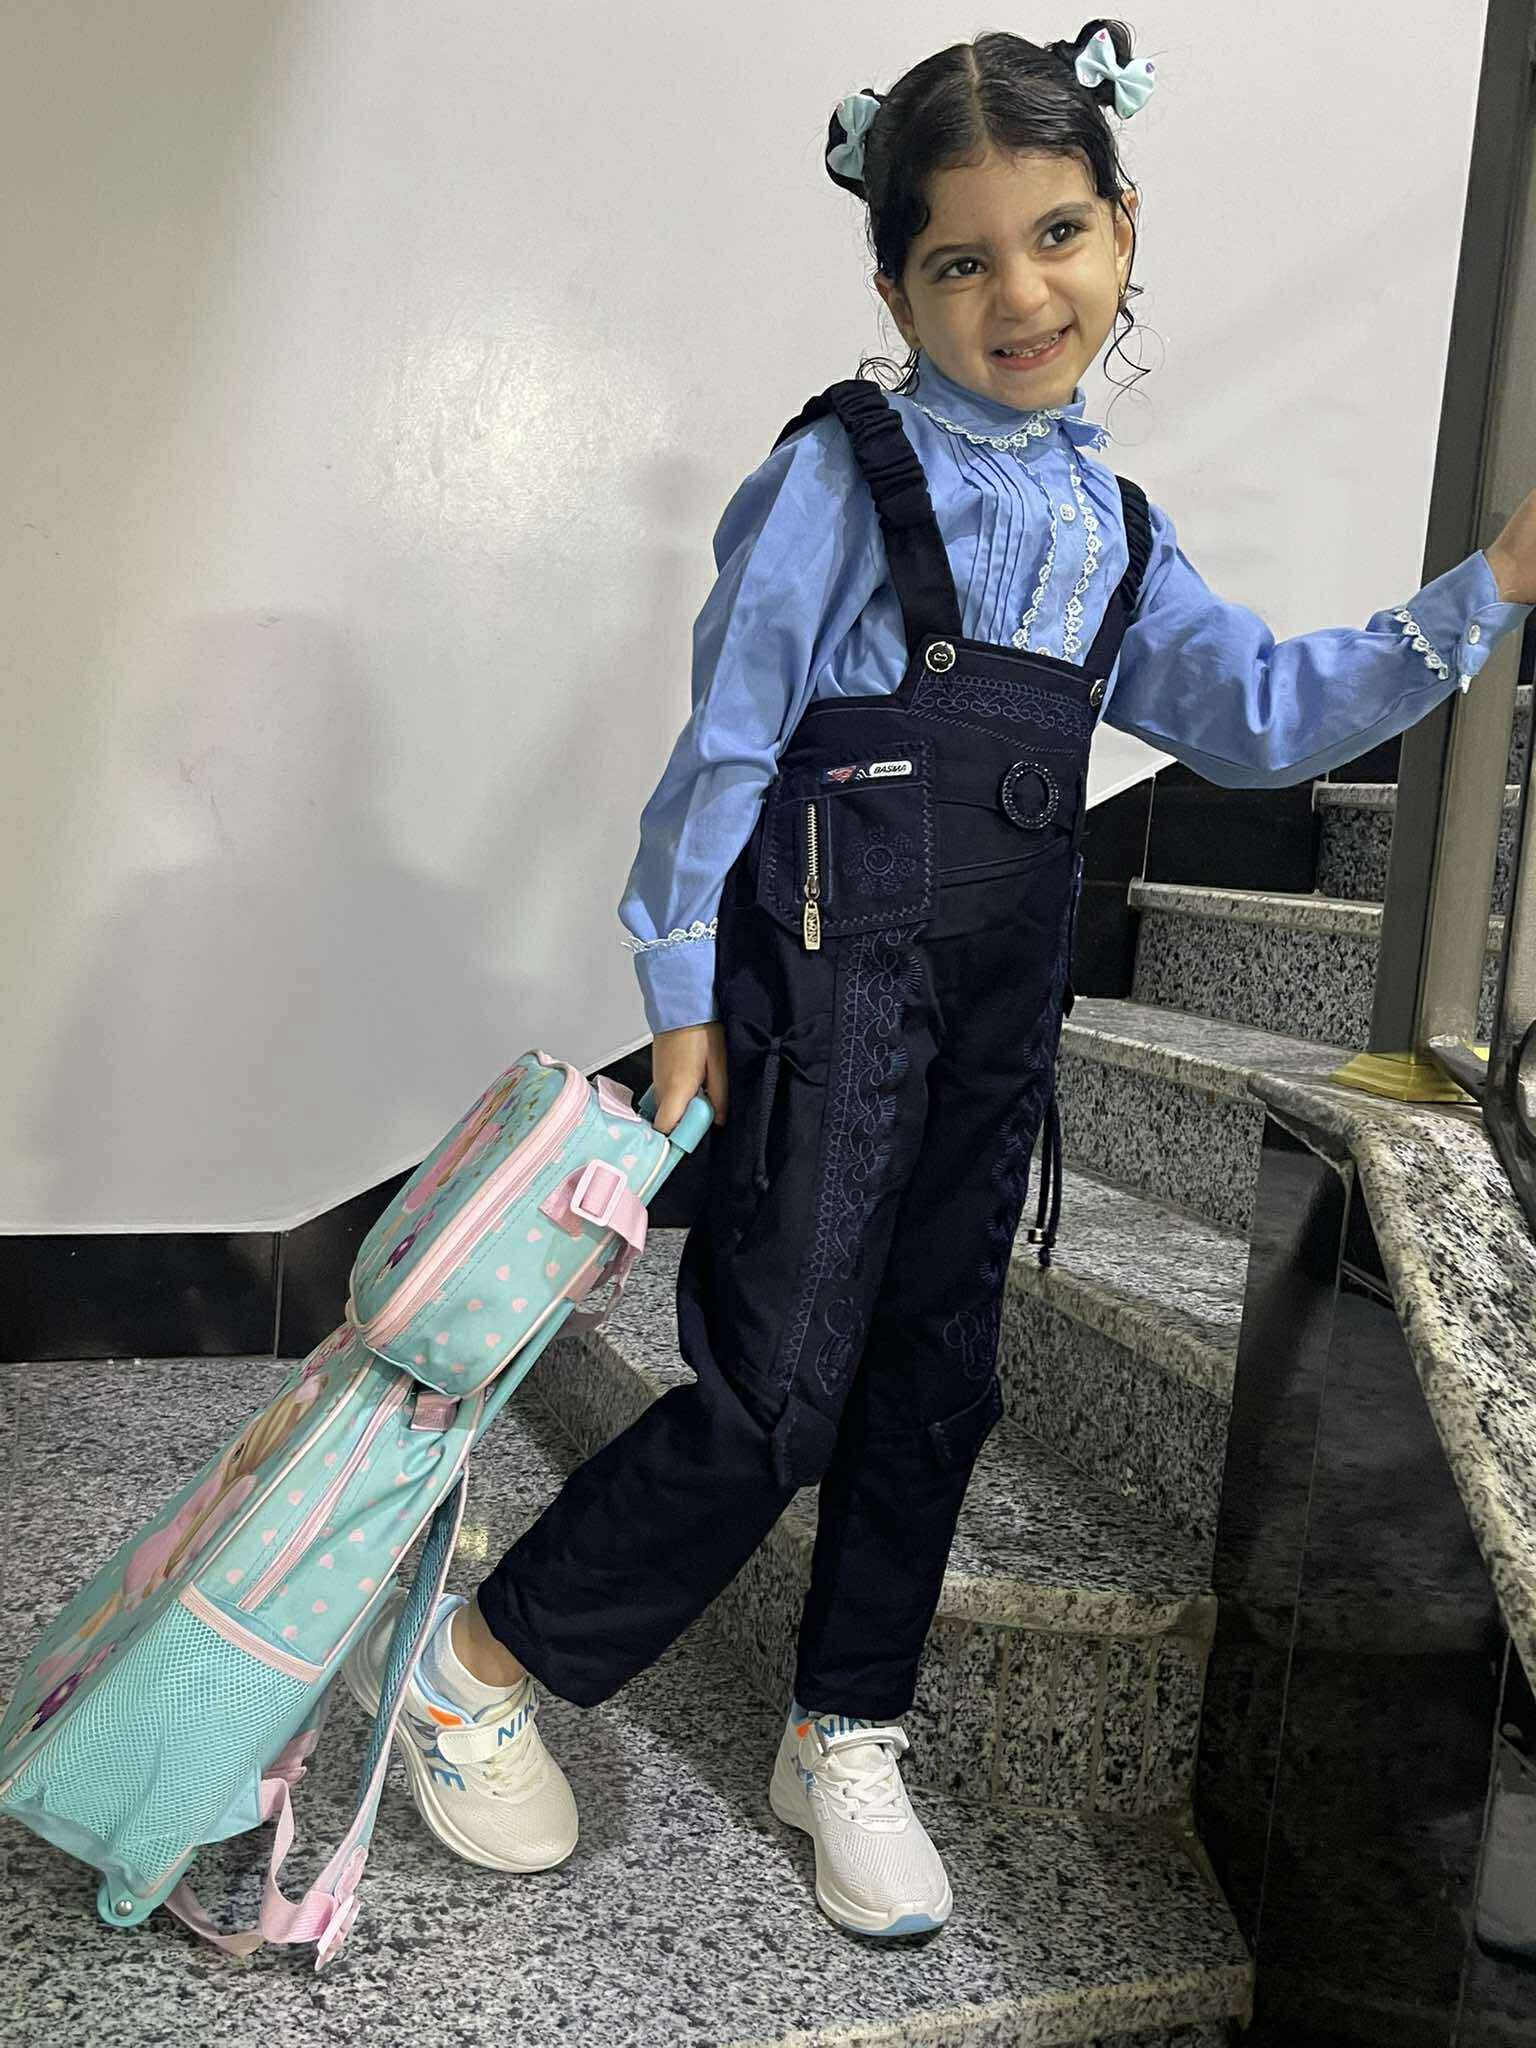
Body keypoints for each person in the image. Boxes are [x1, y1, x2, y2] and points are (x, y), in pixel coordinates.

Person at [344, 18, 1536, 1937]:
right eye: (961, 260)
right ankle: (476, 1664)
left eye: (1059, 235)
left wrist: (1492, 590)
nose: (1022, 294)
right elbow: (729, 746)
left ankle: (846, 1719)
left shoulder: (1113, 529)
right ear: (895, 286)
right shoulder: (844, 476)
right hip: (821, 994)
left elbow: (1255, 716)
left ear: (1126, 226)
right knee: (777, 1387)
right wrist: (680, 993)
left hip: (997, 1007)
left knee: (935, 1381)